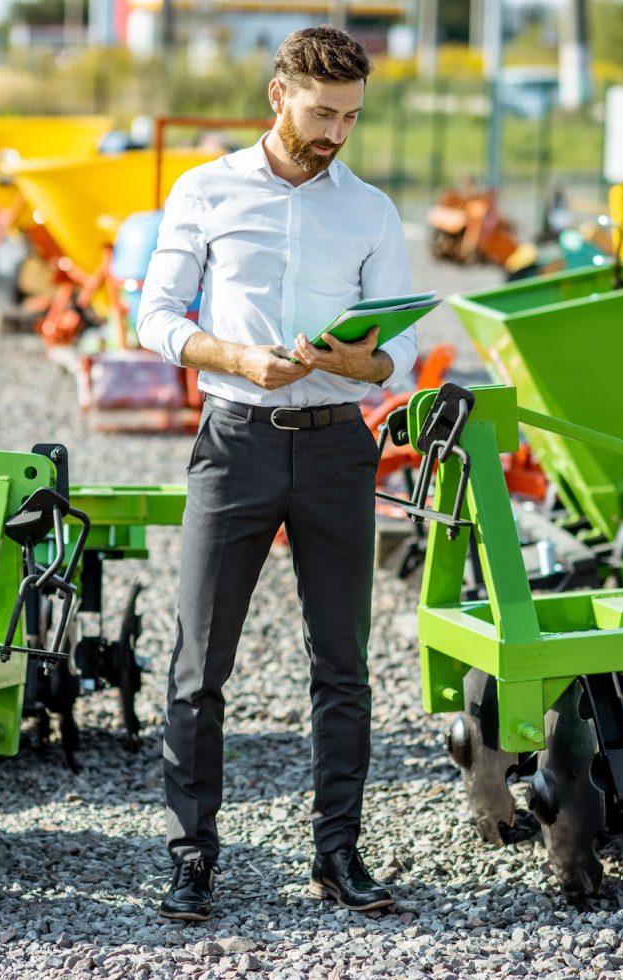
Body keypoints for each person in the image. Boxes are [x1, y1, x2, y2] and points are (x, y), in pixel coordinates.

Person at [137, 24, 416, 922]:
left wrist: (363, 361)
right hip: (236, 441)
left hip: (339, 446)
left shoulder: (370, 209)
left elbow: (401, 353)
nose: (336, 131)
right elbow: (154, 316)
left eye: (351, 116)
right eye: (323, 112)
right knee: (197, 665)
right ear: (278, 96)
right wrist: (234, 356)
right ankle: (192, 858)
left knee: (344, 666)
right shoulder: (205, 190)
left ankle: (338, 855)